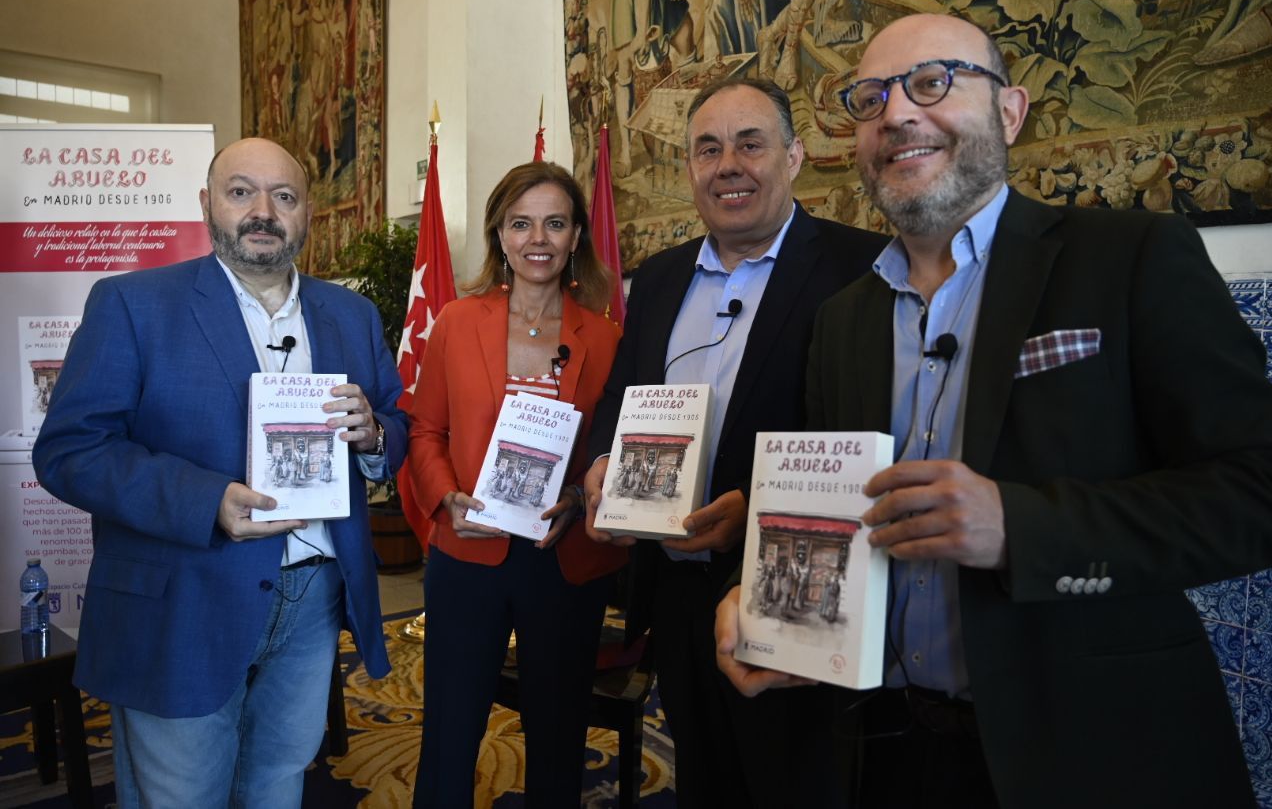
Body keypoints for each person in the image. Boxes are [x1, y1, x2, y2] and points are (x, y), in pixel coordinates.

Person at [714, 13, 1272, 808]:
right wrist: (766, 594)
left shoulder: (1133, 257)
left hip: (1093, 751)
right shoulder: (842, 319)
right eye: (871, 97)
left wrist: (1021, 527)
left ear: (1009, 112)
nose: (899, 113)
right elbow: (825, 514)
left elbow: (1262, 489)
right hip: (885, 753)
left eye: (933, 81)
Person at [32, 137, 409, 808]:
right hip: (184, 598)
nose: (262, 211)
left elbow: (396, 421)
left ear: (307, 214)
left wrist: (376, 432)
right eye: (242, 192)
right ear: (207, 204)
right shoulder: (131, 304)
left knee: (277, 782)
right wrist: (205, 500)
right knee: (181, 794)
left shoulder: (350, 314)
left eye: (283, 197)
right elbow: (69, 451)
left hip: (312, 597)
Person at [583, 77, 885, 808]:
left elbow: (878, 426)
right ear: (688, 168)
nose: (728, 165)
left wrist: (751, 509)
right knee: (706, 777)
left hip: (795, 581)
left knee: (798, 781)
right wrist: (600, 464)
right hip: (674, 590)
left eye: (750, 144)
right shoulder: (656, 279)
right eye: (708, 149)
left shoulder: (864, 267)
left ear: (795, 156)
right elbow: (619, 402)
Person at [407, 161, 628, 808]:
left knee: (558, 732)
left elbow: (613, 449)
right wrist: (447, 498)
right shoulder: (456, 321)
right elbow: (425, 431)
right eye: (521, 222)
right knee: (451, 726)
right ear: (499, 235)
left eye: (555, 222)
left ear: (576, 235)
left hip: (562, 560)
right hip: (469, 553)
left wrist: (582, 500)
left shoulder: (608, 337)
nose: (538, 238)